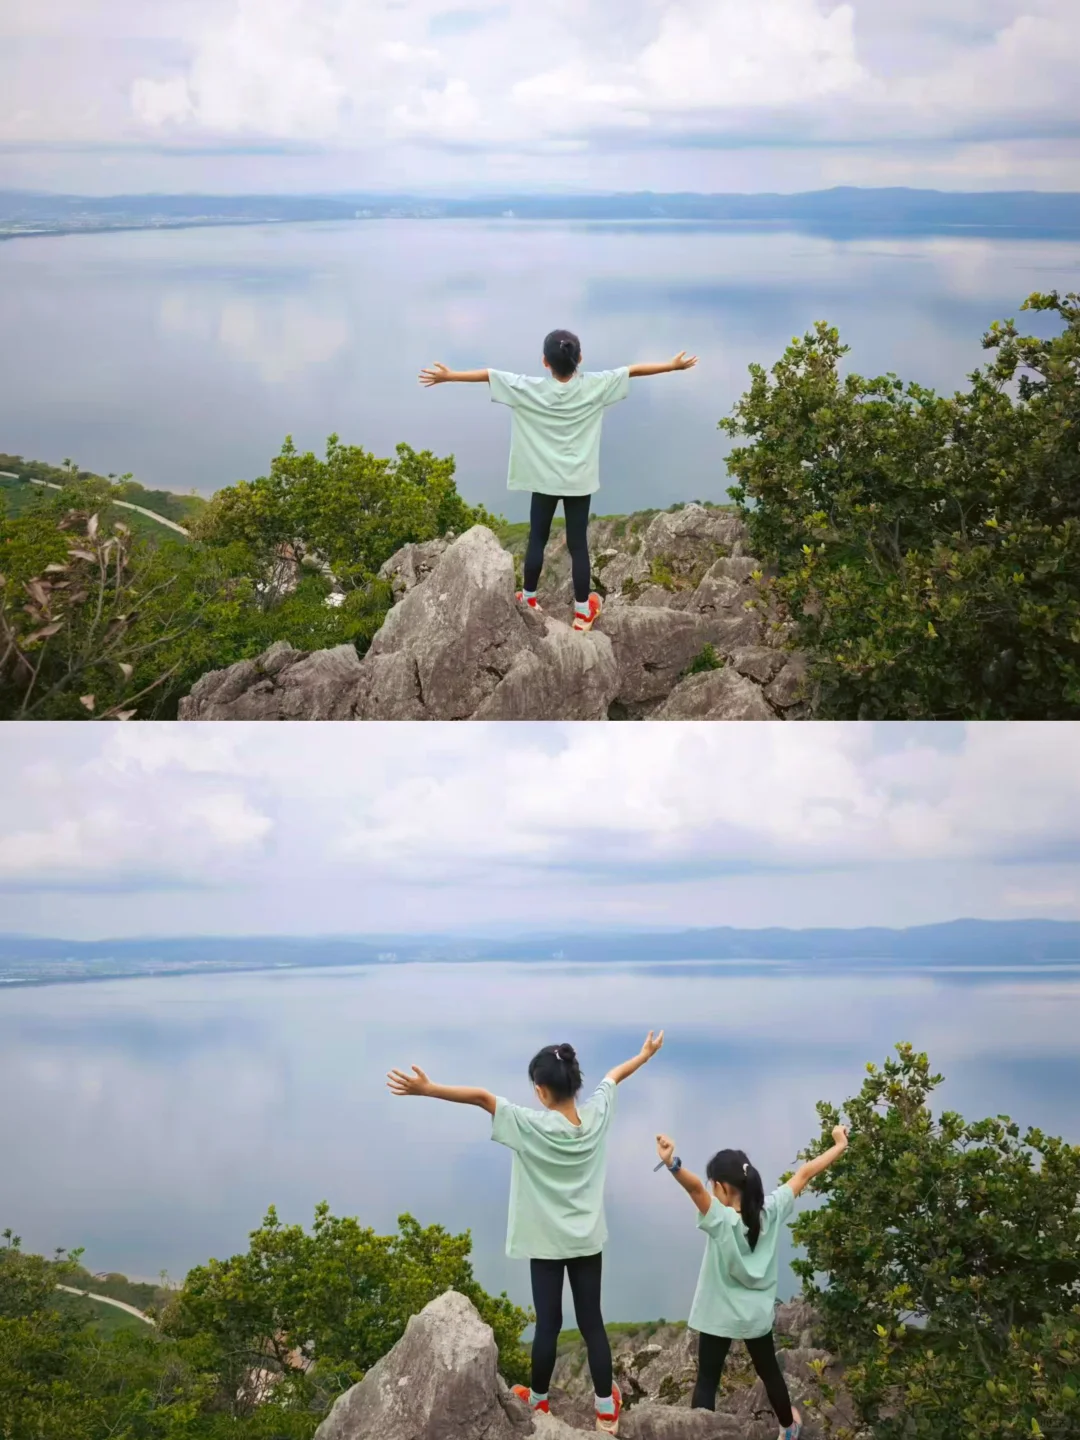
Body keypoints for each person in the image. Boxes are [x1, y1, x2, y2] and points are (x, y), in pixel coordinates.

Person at [387, 1030, 665, 1435]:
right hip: (587, 1240)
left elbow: (483, 1097)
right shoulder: (597, 1115)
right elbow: (614, 1075)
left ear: (540, 1091)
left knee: (549, 1325)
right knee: (593, 1325)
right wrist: (645, 1055)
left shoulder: (531, 1126)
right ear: (575, 1082)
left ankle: (538, 1401)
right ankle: (606, 1409)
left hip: (546, 1244)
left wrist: (427, 1089)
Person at [418, 332, 698, 631]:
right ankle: (582, 612)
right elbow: (632, 370)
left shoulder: (530, 388)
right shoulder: (595, 385)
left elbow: (489, 375)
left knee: (537, 538)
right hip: (578, 480)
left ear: (544, 362)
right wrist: (672, 366)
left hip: (543, 479)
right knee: (578, 546)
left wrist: (449, 376)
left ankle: (528, 599)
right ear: (579, 359)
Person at [653, 1125, 851, 1440]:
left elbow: (693, 1189)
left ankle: (699, 1434)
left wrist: (671, 1163)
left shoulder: (720, 1219)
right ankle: (788, 1429)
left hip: (718, 1315)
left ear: (719, 1186)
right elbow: (804, 1174)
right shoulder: (769, 1211)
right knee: (770, 1373)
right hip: (755, 1317)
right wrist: (839, 1145)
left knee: (707, 1380)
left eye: (711, 1184)